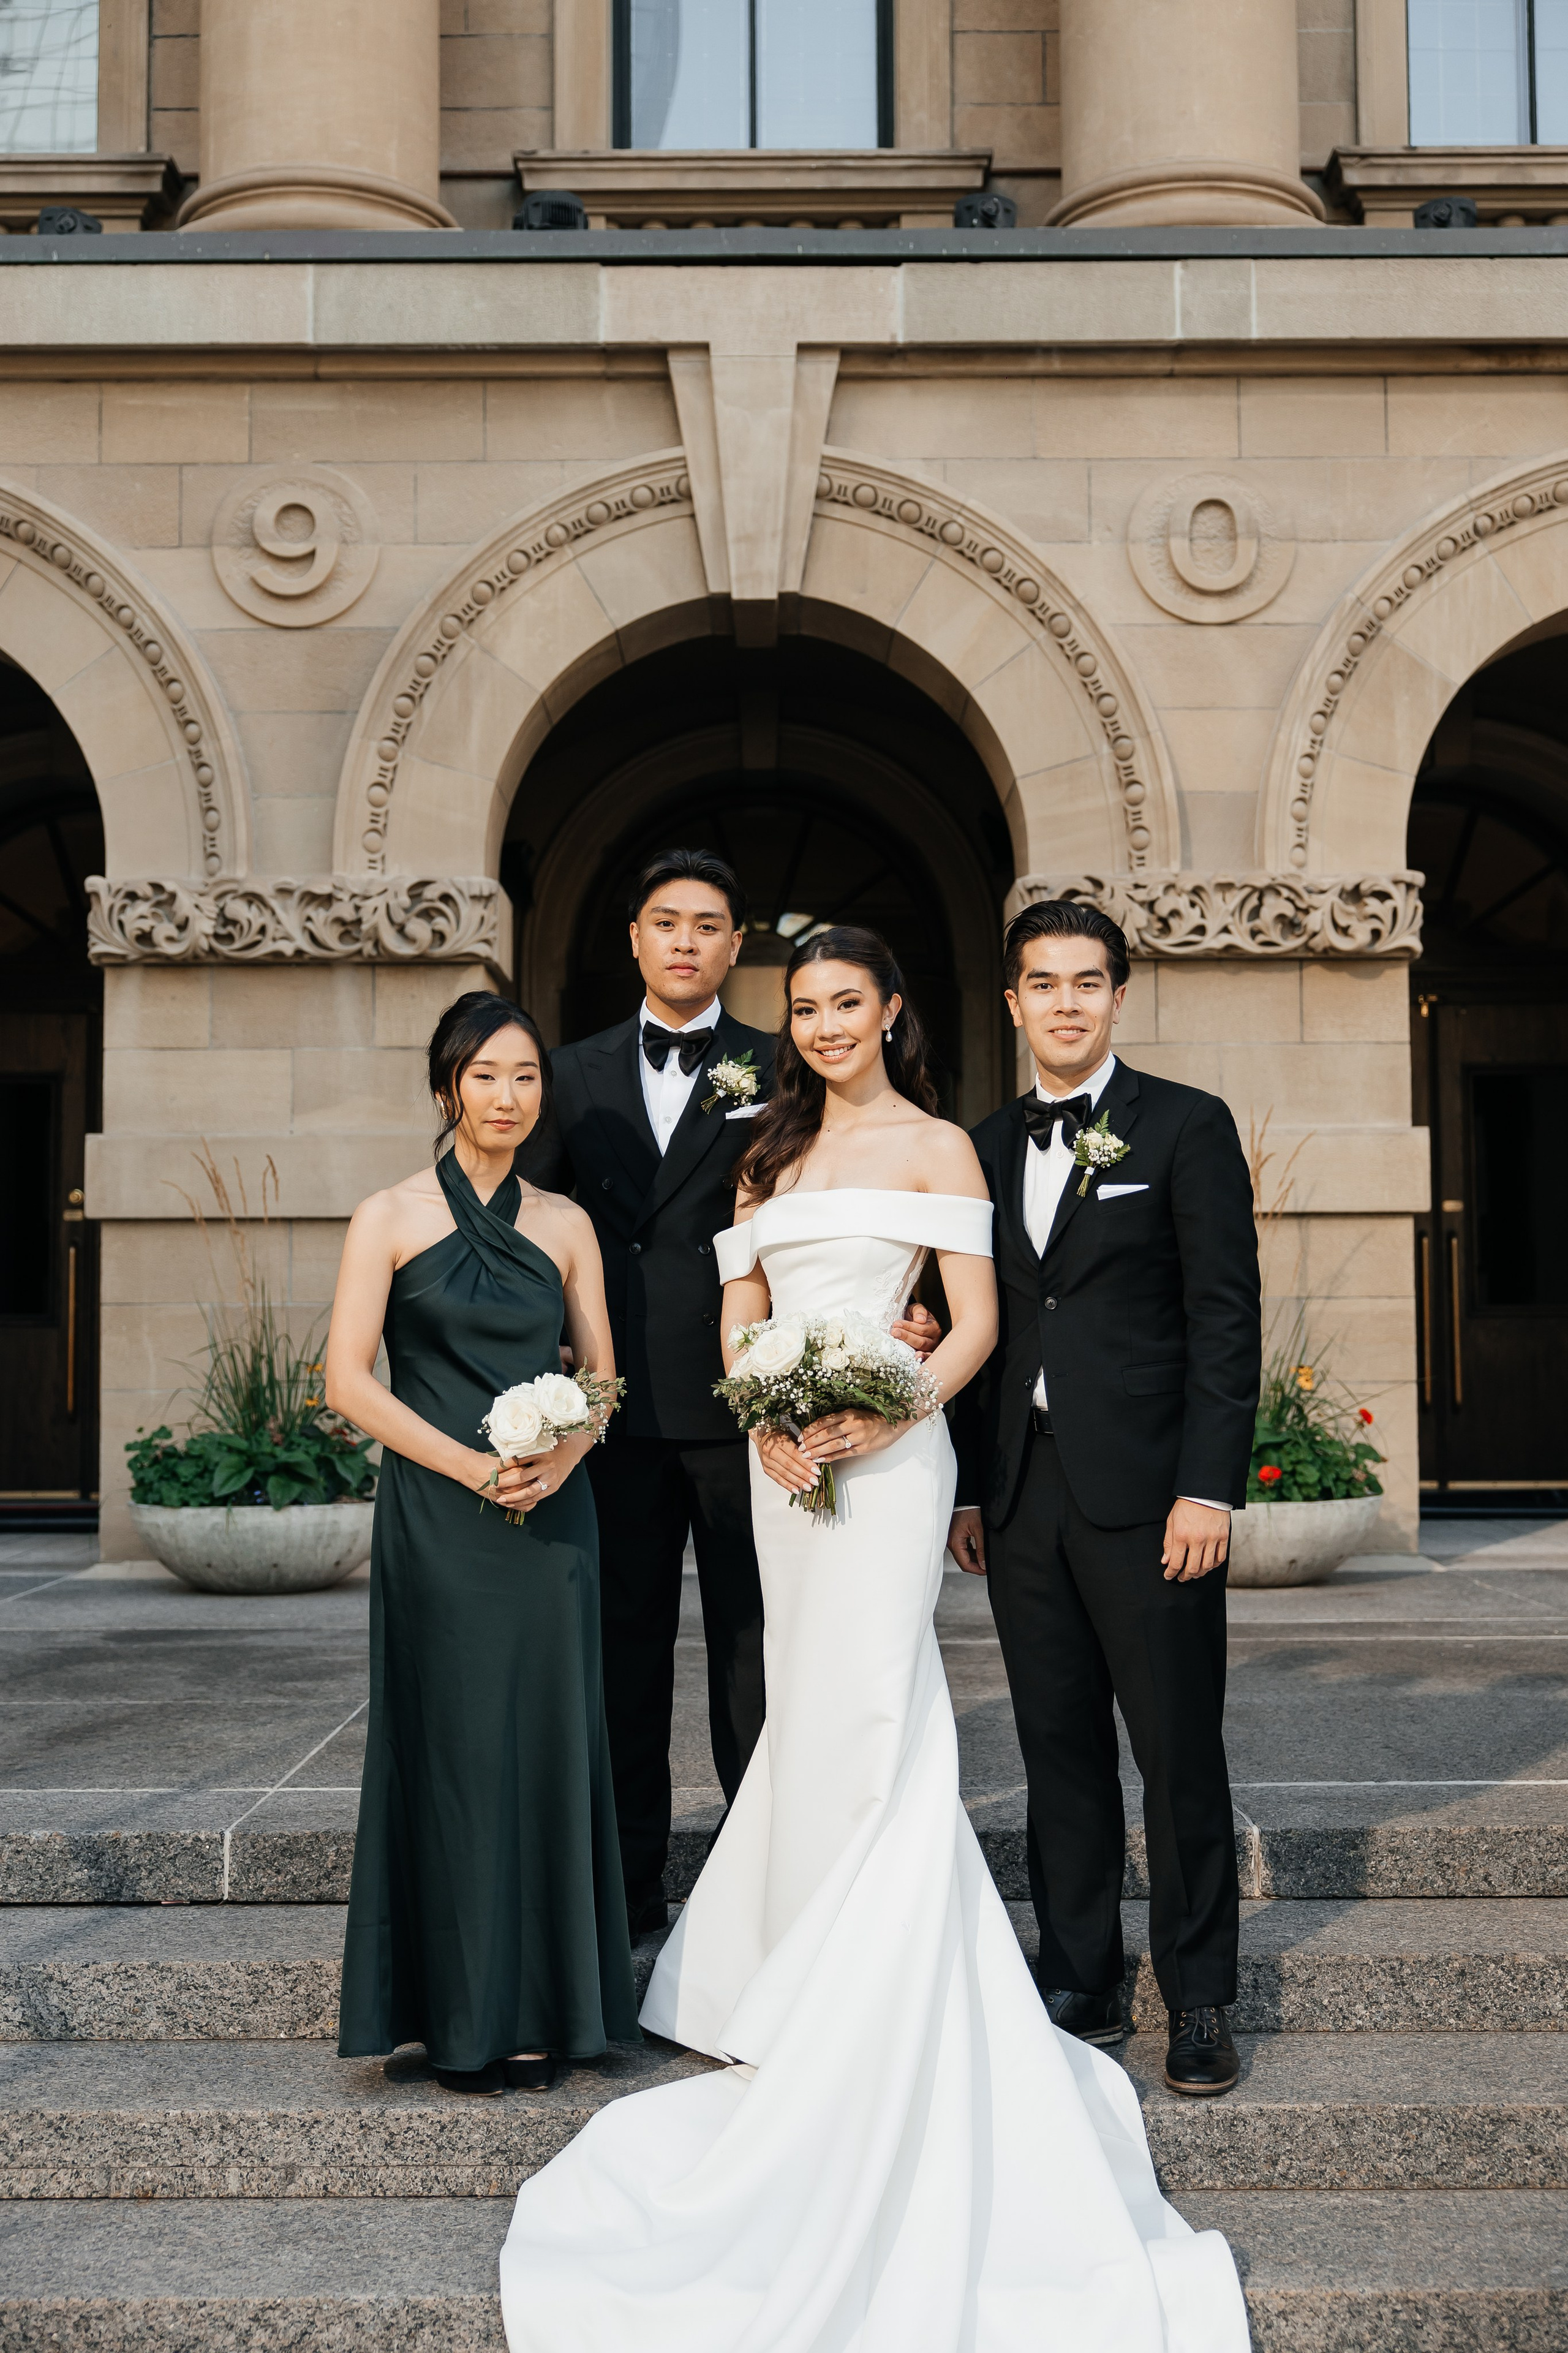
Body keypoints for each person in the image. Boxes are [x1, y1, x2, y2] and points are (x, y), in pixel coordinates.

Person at [497, 926, 1248, 2352]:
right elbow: (738, 1306)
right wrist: (764, 1411)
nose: (828, 1024)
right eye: (807, 1008)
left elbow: (968, 1324)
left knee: (911, 1708)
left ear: (893, 1011)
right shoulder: (767, 1150)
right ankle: (866, 1965)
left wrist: (894, 1413)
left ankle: (1144, 1992)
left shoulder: (952, 1149)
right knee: (834, 1710)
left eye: (850, 1003)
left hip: (904, 1461)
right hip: (796, 1468)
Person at [949, 901, 1261, 2099]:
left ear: (1117, 996)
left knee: (1176, 1751)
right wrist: (975, 1489)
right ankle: (1076, 1972)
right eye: (1044, 982)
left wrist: (1205, 1489)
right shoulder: (977, 1147)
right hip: (1023, 1499)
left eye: (1087, 981)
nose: (1066, 1001)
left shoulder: (1183, 1126)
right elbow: (981, 1321)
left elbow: (1221, 1319)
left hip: (1151, 1501)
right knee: (1055, 1746)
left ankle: (1197, 1998)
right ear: (1015, 1000)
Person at [328, 992, 638, 2097]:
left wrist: (563, 1456)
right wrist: (468, 1466)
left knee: (549, 1742)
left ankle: (548, 2006)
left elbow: (603, 1375)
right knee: (455, 1749)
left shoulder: (564, 1222)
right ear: (448, 1083)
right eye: (487, 1076)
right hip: (440, 1516)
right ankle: (456, 2010)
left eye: (526, 1078)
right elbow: (346, 1380)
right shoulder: (391, 1214)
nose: (508, 1097)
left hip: (552, 1518)